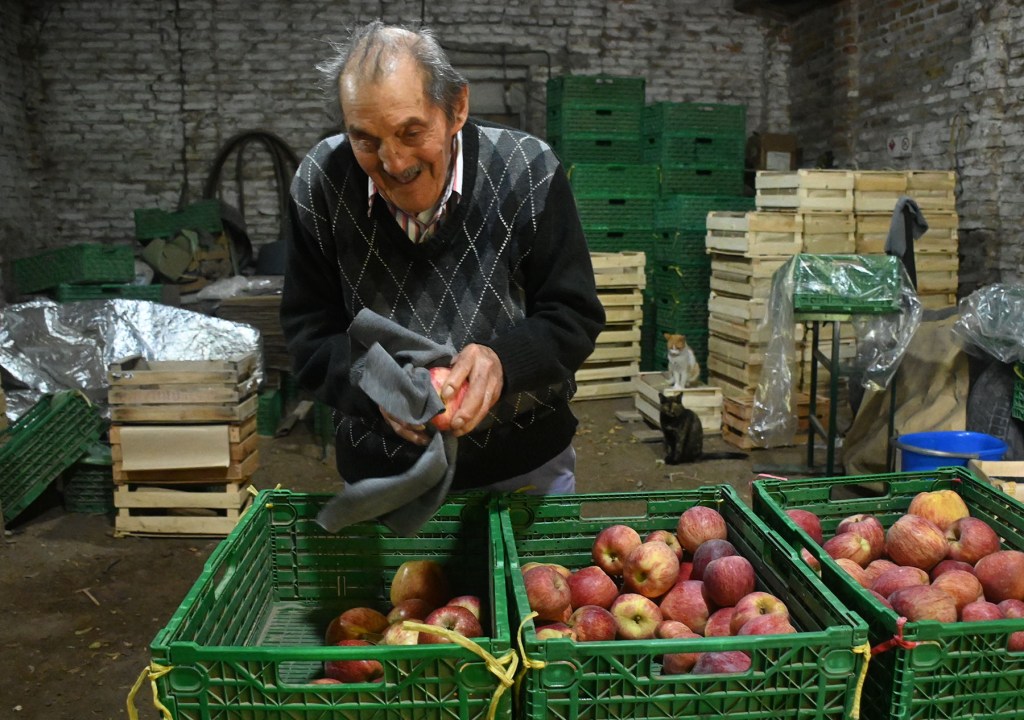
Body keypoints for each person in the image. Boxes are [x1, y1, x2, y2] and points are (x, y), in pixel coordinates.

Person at [280, 20, 604, 497]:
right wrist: (376, 385)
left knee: (532, 575)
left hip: (524, 470)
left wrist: (502, 362)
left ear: (457, 108)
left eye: (412, 132)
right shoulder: (321, 184)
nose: (393, 162)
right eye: (366, 139)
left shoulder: (527, 171)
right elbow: (309, 335)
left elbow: (574, 315)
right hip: (384, 478)